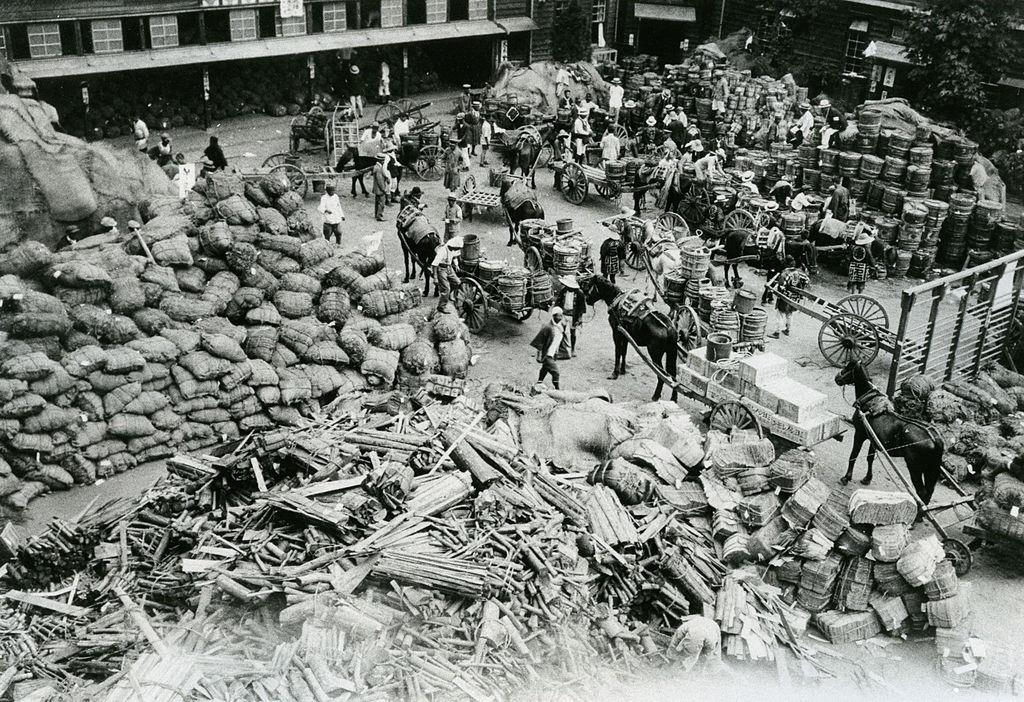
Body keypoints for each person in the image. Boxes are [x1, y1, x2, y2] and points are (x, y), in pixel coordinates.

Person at [768, 256, 809, 338]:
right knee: (789, 314)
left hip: (785, 298)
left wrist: (775, 290)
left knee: (780, 314)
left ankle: (777, 332)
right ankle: (787, 330)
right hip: (794, 298)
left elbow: (781, 286)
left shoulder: (784, 274)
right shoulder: (797, 273)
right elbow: (803, 283)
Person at [530, 307, 564, 389]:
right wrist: (539, 354)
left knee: (545, 367)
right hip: (547, 354)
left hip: (553, 352)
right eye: (558, 316)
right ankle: (557, 390)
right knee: (556, 372)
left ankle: (539, 382)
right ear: (553, 316)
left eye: (561, 316)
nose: (560, 318)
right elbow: (539, 340)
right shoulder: (547, 327)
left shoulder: (560, 326)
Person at [554, 275, 587, 358]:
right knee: (561, 332)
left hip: (573, 315)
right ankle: (561, 349)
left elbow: (582, 307)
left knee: (573, 333)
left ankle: (572, 349)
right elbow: (558, 302)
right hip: (564, 314)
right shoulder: (563, 291)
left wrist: (579, 318)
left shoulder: (580, 293)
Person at [432, 235, 462, 313]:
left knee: (457, 282)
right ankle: (441, 307)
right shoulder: (442, 251)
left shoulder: (453, 249)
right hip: (441, 268)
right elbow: (434, 264)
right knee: (446, 288)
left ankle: (447, 295)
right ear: (452, 246)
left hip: (449, 267)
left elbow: (454, 257)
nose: (457, 250)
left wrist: (456, 265)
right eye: (457, 248)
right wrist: (435, 277)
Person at [847, 227, 875, 294]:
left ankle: (853, 294)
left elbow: (849, 257)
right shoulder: (866, 250)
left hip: (853, 265)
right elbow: (869, 258)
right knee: (862, 282)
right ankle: (859, 294)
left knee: (853, 281)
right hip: (863, 267)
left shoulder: (853, 248)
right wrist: (873, 265)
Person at [372, 154, 389, 221]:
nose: (384, 161)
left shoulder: (377, 167)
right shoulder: (379, 168)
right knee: (381, 202)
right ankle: (379, 215)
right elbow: (380, 180)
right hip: (379, 188)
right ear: (380, 160)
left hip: (376, 188)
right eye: (383, 160)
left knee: (377, 201)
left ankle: (376, 214)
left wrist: (386, 177)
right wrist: (383, 189)